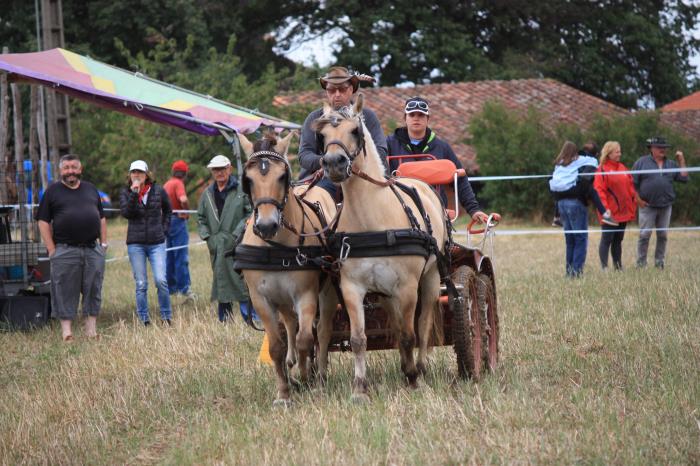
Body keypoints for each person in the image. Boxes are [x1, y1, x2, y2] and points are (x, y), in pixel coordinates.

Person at [37, 154, 107, 341]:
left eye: (74, 167)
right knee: (64, 289)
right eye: (66, 167)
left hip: (93, 249)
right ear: (61, 171)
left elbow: (101, 217)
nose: (70, 171)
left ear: (80, 169)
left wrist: (104, 244)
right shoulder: (52, 191)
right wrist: (52, 249)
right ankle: (67, 332)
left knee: (93, 288)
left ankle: (91, 331)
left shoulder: (91, 189)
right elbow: (43, 222)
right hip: (65, 250)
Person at [386, 96, 488, 223]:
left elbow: (459, 179)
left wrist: (474, 210)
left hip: (436, 211)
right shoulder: (388, 144)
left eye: (421, 115)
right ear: (405, 118)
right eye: (412, 115)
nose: (416, 118)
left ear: (427, 119)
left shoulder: (441, 147)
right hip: (400, 210)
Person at [298, 66, 388, 199]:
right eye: (332, 90)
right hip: (326, 178)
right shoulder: (315, 118)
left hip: (363, 176)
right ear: (327, 92)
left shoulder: (368, 116)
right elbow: (304, 155)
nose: (337, 94)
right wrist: (327, 161)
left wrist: (353, 163)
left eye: (342, 89)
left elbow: (380, 150)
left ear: (351, 89)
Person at [197, 154, 258, 323]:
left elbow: (250, 213)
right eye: (215, 169)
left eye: (222, 168)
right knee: (221, 282)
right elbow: (200, 218)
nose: (219, 172)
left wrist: (237, 233)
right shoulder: (207, 194)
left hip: (238, 244)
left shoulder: (241, 191)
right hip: (217, 246)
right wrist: (208, 237)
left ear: (229, 168)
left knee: (241, 282)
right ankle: (225, 319)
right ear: (212, 172)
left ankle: (251, 318)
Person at [549, 141, 617, 277]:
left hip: (561, 203)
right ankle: (576, 273)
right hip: (576, 204)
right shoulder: (588, 161)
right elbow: (587, 181)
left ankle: (569, 273)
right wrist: (582, 194)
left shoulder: (561, 163)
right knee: (580, 238)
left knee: (570, 240)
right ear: (596, 154)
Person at [119, 160, 173, 325]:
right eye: (134, 172)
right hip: (136, 244)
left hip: (157, 242)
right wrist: (134, 194)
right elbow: (127, 213)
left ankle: (166, 316)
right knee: (141, 283)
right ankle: (144, 319)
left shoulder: (158, 190)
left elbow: (168, 210)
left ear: (146, 174)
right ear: (130, 175)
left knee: (161, 280)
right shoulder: (125, 192)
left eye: (140, 172)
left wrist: (164, 230)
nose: (137, 175)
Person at [632, 136, 688, 269]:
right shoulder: (641, 162)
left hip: (666, 206)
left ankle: (659, 263)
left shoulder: (671, 164)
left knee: (662, 235)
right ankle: (641, 264)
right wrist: (637, 200)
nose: (663, 150)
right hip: (647, 206)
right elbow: (631, 183)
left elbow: (684, 178)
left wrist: (681, 160)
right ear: (651, 148)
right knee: (644, 235)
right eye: (659, 147)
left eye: (664, 147)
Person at [593, 141, 637, 270]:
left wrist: (633, 204)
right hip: (609, 213)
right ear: (609, 153)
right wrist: (605, 211)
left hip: (623, 213)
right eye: (617, 151)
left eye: (620, 151)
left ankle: (618, 267)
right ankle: (604, 268)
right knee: (607, 240)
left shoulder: (623, 167)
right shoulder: (601, 169)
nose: (620, 154)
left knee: (618, 240)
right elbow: (599, 191)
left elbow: (630, 188)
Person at [163, 159, 194, 299]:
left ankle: (171, 288)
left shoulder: (167, 184)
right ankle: (184, 288)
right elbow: (183, 199)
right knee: (181, 256)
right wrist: (186, 211)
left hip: (166, 221)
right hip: (177, 221)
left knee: (169, 256)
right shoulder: (178, 183)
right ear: (185, 173)